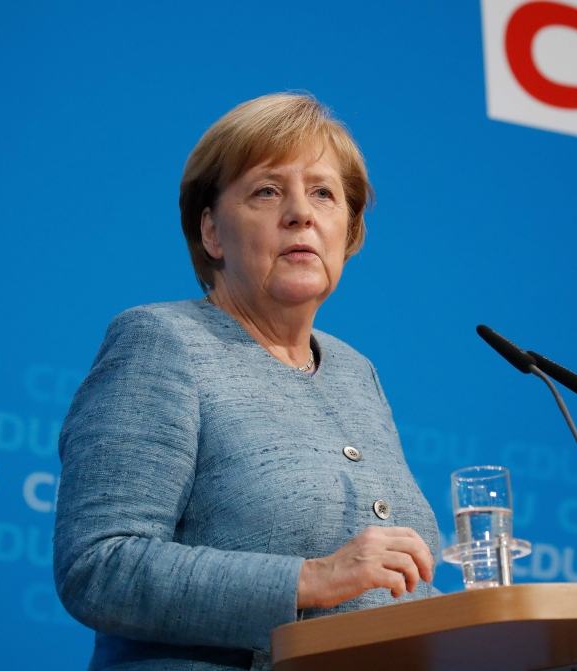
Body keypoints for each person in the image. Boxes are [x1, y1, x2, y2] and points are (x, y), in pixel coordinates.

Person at [53, 93, 440, 671]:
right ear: (211, 232)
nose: (300, 213)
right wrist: (313, 578)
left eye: (323, 193)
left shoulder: (357, 373)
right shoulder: (161, 341)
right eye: (266, 190)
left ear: (349, 232)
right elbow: (99, 566)